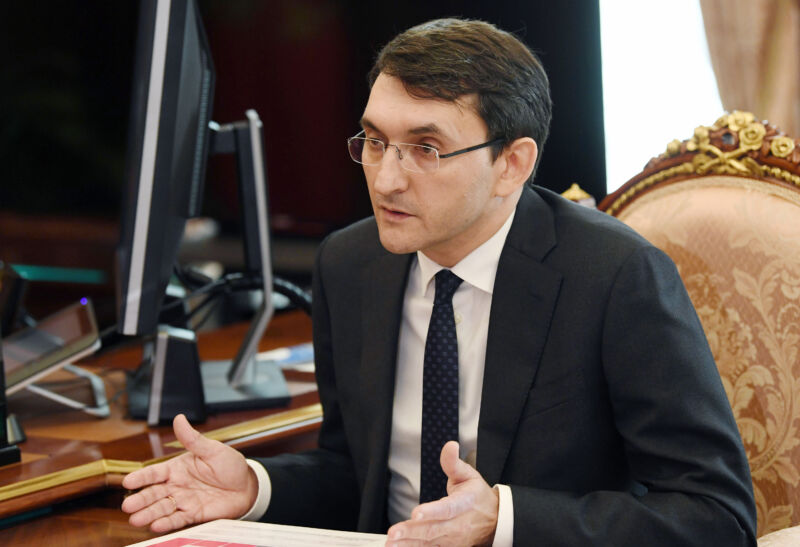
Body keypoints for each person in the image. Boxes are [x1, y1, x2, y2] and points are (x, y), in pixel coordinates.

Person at [122, 18, 757, 546]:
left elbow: (714, 514)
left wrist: (504, 519)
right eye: (374, 141)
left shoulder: (615, 277)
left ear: (512, 163)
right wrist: (258, 486)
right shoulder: (349, 265)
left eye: (425, 149)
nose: (386, 179)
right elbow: (357, 476)